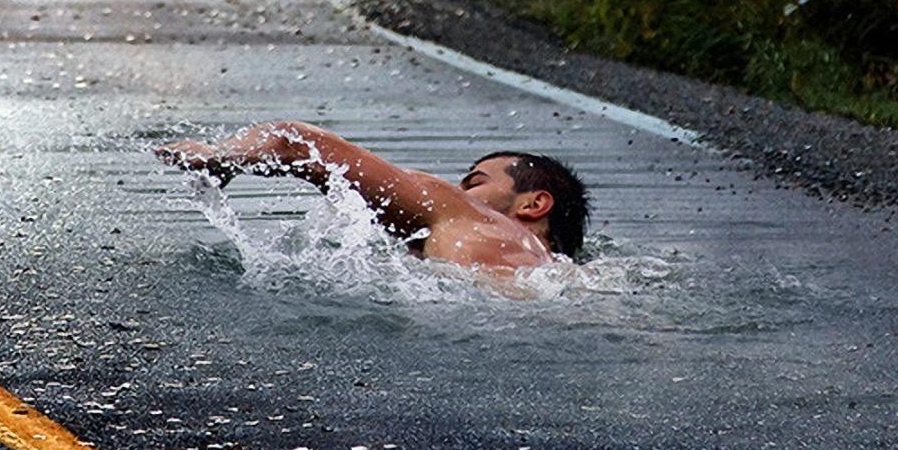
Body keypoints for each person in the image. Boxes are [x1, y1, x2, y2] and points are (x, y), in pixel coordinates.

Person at [156, 121, 588, 272]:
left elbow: (293, 141)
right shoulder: (568, 276)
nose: (461, 192)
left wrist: (220, 157)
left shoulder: (458, 212)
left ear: (534, 204)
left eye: (474, 182)